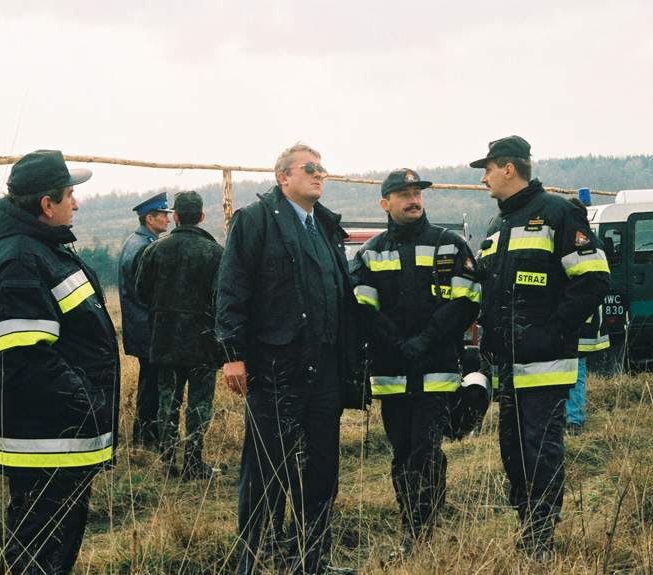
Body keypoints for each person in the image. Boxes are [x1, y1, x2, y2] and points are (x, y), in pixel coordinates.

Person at [217, 142, 358, 575]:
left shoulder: (326, 227)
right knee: (264, 474)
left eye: (322, 169)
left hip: (325, 371)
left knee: (320, 474)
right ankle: (254, 563)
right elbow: (231, 289)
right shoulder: (256, 221)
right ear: (283, 178)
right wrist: (232, 354)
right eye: (309, 168)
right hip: (276, 369)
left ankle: (310, 561)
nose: (319, 174)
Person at [0, 150, 119, 575]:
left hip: (59, 440)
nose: (76, 204)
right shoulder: (23, 257)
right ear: (46, 205)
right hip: (49, 444)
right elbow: (21, 359)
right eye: (70, 196)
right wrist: (88, 405)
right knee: (38, 560)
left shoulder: (38, 247)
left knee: (48, 555)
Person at [472, 136, 610, 560]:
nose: (483, 178)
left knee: (541, 453)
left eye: (488, 169)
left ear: (509, 169)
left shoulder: (557, 212)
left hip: (545, 364)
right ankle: (527, 528)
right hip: (508, 367)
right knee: (513, 454)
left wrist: (551, 334)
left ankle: (541, 539)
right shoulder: (498, 225)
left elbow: (593, 278)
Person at [349, 168, 480, 558]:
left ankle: (418, 534)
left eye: (417, 192)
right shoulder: (371, 251)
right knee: (403, 454)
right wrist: (399, 344)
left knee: (425, 451)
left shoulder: (449, 244)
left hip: (436, 372)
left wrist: (423, 341)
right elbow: (363, 308)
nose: (413, 199)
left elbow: (466, 301)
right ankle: (417, 520)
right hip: (392, 376)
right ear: (385, 203)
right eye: (403, 193)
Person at [135, 191, 224, 478]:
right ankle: (194, 462)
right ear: (201, 217)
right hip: (204, 342)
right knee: (199, 404)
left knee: (167, 402)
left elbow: (141, 292)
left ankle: (169, 463)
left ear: (175, 217)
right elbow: (222, 299)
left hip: (165, 340)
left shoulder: (154, 250)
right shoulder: (215, 252)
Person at [118, 192, 173, 448]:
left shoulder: (135, 241)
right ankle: (149, 439)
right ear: (150, 219)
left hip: (139, 326)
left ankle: (144, 437)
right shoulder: (147, 247)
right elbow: (152, 293)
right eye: (164, 215)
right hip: (148, 327)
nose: (169, 220)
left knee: (148, 382)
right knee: (154, 384)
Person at [564, 197, 610, 436]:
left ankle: (573, 420)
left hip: (580, 319)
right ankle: (571, 417)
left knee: (575, 370)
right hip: (583, 318)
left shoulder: (581, 240)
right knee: (574, 370)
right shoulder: (593, 239)